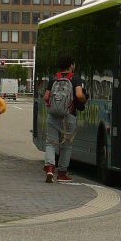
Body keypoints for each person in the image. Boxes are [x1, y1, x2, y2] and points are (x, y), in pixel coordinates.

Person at [42, 55, 87, 183]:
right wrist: (84, 99)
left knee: (51, 143)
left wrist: (53, 106)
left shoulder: (54, 78)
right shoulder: (75, 78)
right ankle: (62, 173)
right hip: (69, 115)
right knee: (67, 145)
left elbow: (46, 97)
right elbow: (78, 95)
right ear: (71, 65)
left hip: (53, 115)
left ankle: (50, 168)